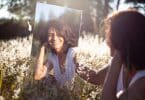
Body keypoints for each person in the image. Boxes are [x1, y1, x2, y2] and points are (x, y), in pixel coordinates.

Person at [77, 9, 145, 100]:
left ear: (121, 39)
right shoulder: (122, 65)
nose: (106, 41)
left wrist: (117, 57)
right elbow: (95, 77)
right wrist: (73, 64)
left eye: (110, 34)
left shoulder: (141, 83)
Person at [34, 19, 78, 89]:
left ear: (65, 35)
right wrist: (42, 48)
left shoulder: (74, 52)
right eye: (50, 35)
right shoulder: (52, 56)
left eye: (58, 34)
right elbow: (38, 76)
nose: (54, 38)